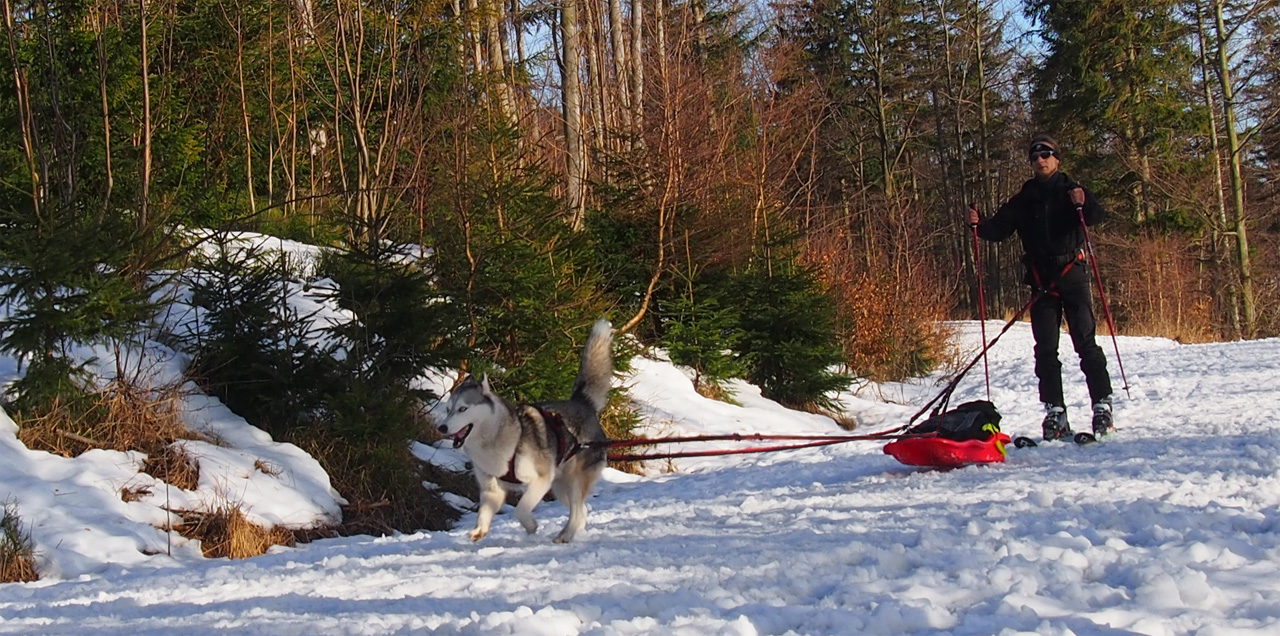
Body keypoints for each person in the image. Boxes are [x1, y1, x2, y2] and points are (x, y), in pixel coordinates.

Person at [967, 134, 1114, 441]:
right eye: (1035, 156)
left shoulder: (1072, 191)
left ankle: (1102, 407)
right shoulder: (1024, 199)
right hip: (1042, 281)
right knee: (1045, 350)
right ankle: (1055, 412)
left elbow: (1096, 216)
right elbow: (998, 229)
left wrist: (1083, 203)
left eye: (1046, 154)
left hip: (1072, 275)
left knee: (1085, 344)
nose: (1040, 159)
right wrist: (978, 226)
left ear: (1057, 159)